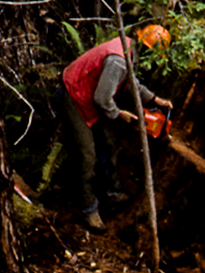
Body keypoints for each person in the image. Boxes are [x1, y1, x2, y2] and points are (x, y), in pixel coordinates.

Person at [60, 25, 174, 230]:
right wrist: (119, 114)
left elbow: (130, 83)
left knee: (109, 143)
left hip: (92, 96)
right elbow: (102, 98)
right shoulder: (118, 61)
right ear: (147, 48)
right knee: (86, 155)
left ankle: (112, 194)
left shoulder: (128, 50)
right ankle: (89, 210)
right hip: (75, 94)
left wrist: (155, 99)